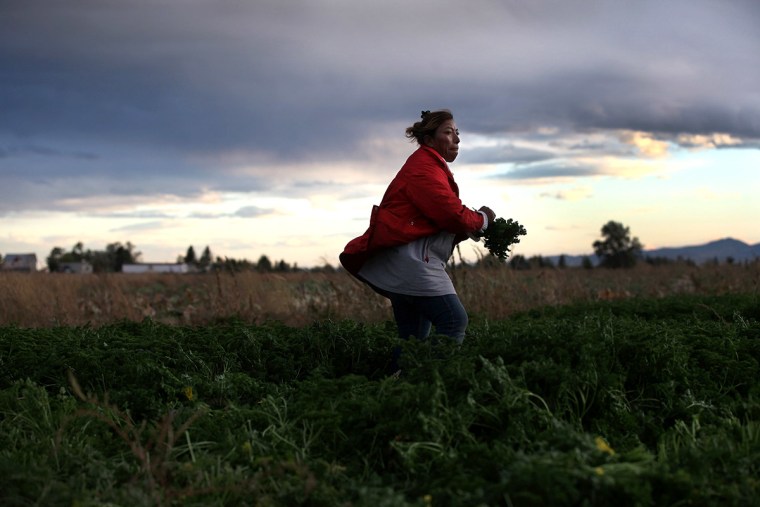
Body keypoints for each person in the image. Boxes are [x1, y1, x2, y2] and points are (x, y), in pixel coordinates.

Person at [339, 109, 495, 369]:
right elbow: (449, 213)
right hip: (412, 263)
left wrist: (471, 227)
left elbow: (438, 220)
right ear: (429, 139)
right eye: (448, 132)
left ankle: (396, 389)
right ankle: (428, 383)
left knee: (412, 339)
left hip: (405, 262)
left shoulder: (429, 166)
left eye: (457, 133)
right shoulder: (423, 169)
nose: (456, 138)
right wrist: (482, 220)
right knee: (454, 321)